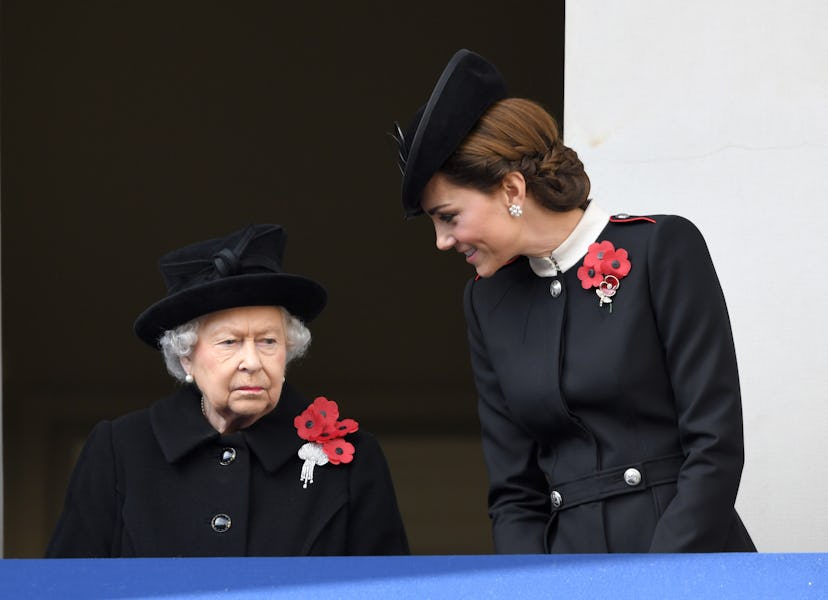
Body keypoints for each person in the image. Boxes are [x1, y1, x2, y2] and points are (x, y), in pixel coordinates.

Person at [391, 49, 755, 553]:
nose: (442, 241)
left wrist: (661, 583)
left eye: (448, 217)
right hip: (568, 571)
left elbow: (714, 447)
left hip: (684, 561)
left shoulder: (661, 249)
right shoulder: (486, 301)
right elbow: (514, 494)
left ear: (512, 188)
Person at [47, 224, 409, 557]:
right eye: (229, 342)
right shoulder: (121, 449)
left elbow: (388, 589)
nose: (251, 361)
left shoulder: (352, 458)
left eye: (268, 341)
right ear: (186, 357)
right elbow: (65, 587)